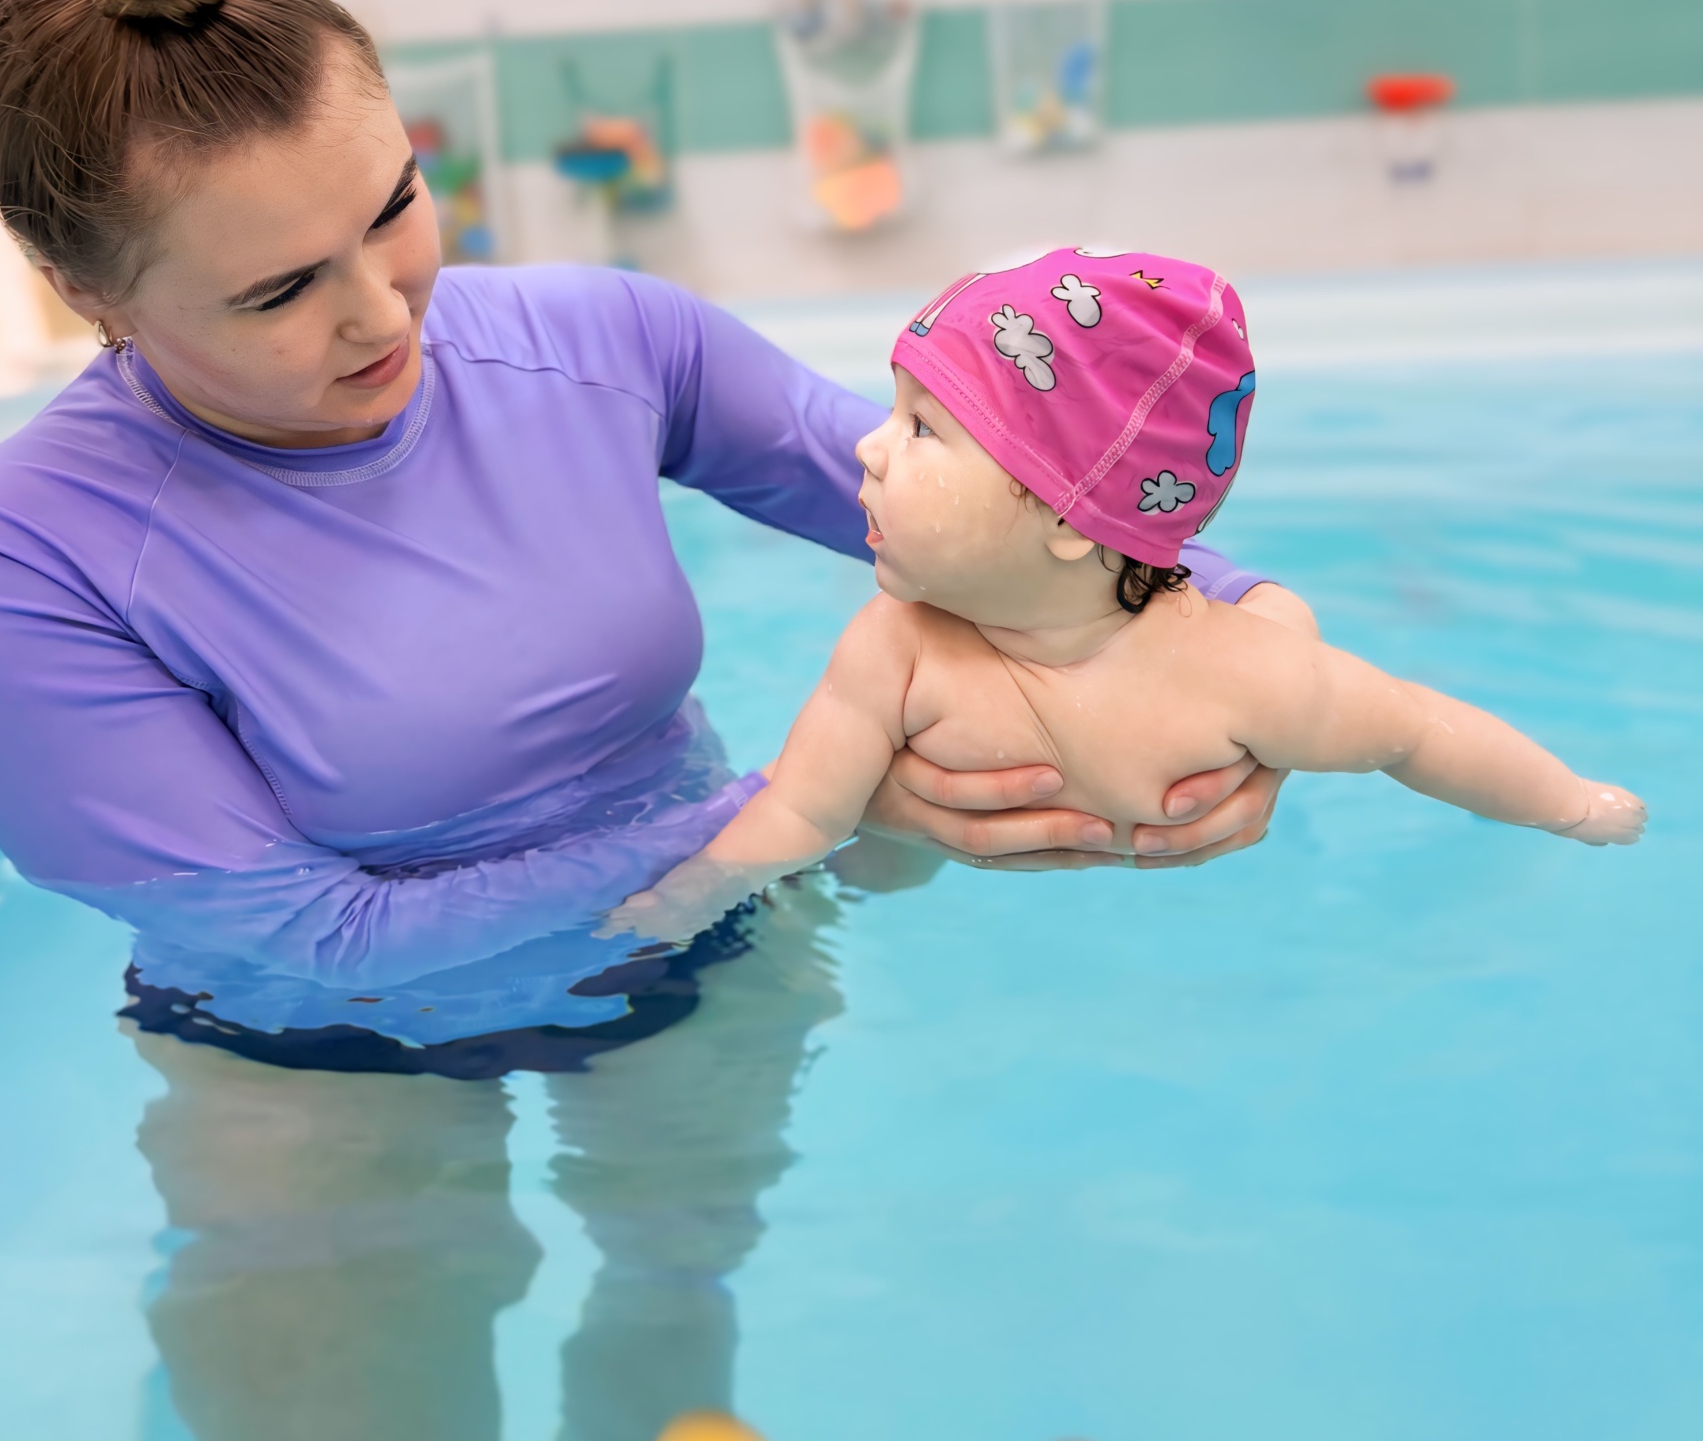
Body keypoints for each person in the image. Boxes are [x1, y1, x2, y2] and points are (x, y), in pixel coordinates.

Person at [0, 0, 1310, 1073]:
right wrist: (813, 808)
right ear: (84, 291)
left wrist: (1240, 625)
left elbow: (995, 508)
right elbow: (309, 936)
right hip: (318, 1050)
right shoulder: (18, 559)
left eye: (394, 206)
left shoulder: (605, 344)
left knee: (677, 1352)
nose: (388, 316)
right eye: (278, 291)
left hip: (699, 958)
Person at [609, 250, 1645, 942]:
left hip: (1193, 947)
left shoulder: (1240, 667)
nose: (868, 448)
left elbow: (1416, 732)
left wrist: (1569, 803)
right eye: (894, 411)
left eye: (923, 429)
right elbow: (798, 808)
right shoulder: (898, 647)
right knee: (877, 867)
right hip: (913, 877)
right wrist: (675, 905)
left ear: (1072, 520)